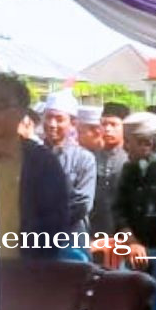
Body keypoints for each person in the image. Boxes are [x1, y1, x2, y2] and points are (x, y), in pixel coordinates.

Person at [0, 74, 72, 261]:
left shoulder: (43, 164)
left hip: (26, 271)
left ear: (22, 111)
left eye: (2, 105)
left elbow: (54, 226)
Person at [41, 90, 96, 238]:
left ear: (72, 124)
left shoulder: (84, 159)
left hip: (71, 236)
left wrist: (49, 223)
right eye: (49, 117)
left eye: (59, 119)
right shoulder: (32, 155)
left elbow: (83, 204)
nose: (52, 124)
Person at [111, 112, 156, 256]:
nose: (124, 147)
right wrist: (132, 241)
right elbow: (119, 210)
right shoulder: (129, 169)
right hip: (133, 250)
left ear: (147, 144)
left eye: (128, 142)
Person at [86, 106, 125, 241]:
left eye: (113, 124)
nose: (107, 129)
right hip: (93, 233)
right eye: (104, 124)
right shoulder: (90, 158)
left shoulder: (131, 159)